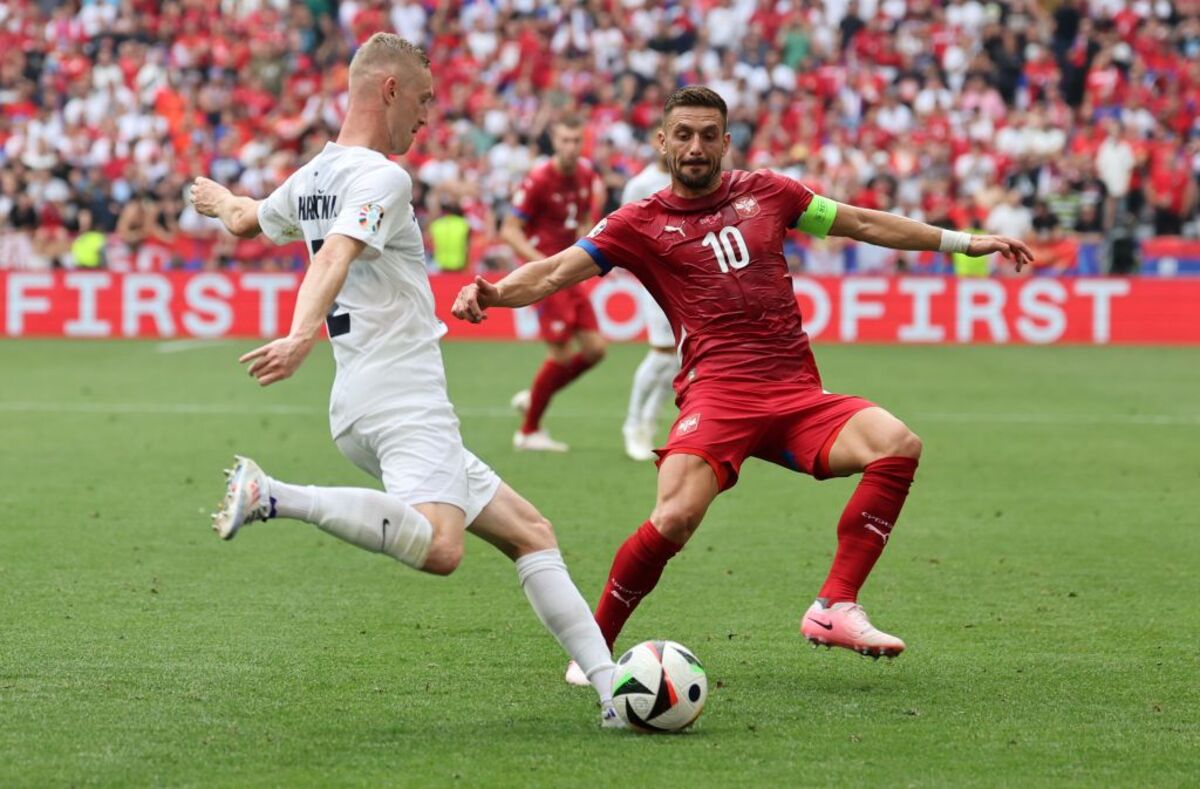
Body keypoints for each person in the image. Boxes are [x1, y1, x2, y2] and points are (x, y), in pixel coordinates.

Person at [454, 86, 1032, 675]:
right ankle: (594, 647)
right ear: (662, 142)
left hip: (796, 393)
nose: (696, 147)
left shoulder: (772, 192)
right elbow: (554, 270)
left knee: (897, 445)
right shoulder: (637, 223)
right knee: (674, 518)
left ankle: (834, 605)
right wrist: (494, 293)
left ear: (726, 142)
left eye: (709, 135)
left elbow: (858, 222)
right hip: (718, 394)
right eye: (683, 134)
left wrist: (964, 243)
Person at [188, 33, 621, 728]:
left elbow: (246, 220)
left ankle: (613, 692)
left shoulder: (311, 178)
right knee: (443, 546)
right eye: (422, 100)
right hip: (400, 394)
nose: (427, 118)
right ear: (387, 89)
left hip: (367, 396)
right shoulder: (382, 178)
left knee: (532, 532)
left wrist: (218, 199)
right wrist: (302, 331)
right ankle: (274, 493)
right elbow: (334, 256)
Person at [500, 116, 606, 453]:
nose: (571, 147)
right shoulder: (539, 180)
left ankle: (535, 397)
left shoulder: (587, 175)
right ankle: (529, 431)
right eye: (564, 140)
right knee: (560, 355)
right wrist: (539, 264)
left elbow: (587, 219)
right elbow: (509, 230)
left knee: (595, 350)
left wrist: (585, 248)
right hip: (547, 276)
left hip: (570, 269)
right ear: (553, 141)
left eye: (576, 140)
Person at [618, 145, 678, 462]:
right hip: (657, 282)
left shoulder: (691, 180)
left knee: (683, 359)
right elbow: (624, 231)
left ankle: (649, 422)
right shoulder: (641, 185)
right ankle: (632, 424)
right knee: (661, 354)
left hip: (689, 282)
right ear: (660, 141)